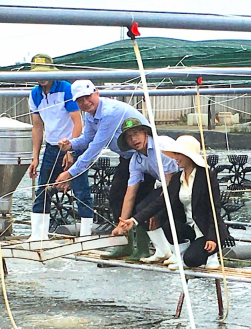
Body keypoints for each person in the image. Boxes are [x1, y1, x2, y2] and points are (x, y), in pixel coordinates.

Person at [53, 80, 152, 256]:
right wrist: (70, 145)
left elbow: (96, 147)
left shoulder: (109, 113)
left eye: (87, 97)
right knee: (115, 198)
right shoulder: (90, 116)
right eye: (80, 100)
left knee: (140, 202)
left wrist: (70, 173)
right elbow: (86, 139)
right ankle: (124, 243)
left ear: (96, 93)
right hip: (128, 158)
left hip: (146, 155)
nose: (85, 102)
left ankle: (143, 248)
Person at [117, 135, 231, 270]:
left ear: (189, 156)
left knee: (192, 260)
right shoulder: (177, 178)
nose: (175, 158)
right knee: (168, 224)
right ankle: (181, 254)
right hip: (190, 228)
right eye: (175, 154)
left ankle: (212, 255)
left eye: (179, 154)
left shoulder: (206, 175)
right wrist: (134, 220)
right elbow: (160, 202)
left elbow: (214, 209)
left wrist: (212, 237)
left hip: (208, 230)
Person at [26, 54, 93, 241]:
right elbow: (37, 126)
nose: (42, 77)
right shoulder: (34, 94)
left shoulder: (66, 89)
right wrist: (35, 157)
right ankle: (38, 234)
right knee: (43, 190)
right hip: (51, 145)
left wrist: (71, 149)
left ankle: (85, 235)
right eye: (37, 73)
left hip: (72, 144)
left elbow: (77, 121)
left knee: (80, 190)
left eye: (45, 72)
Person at [110, 117, 178, 263]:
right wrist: (122, 223)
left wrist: (157, 211)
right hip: (168, 186)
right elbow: (130, 193)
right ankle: (162, 251)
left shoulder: (162, 146)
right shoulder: (136, 160)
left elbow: (170, 183)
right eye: (129, 137)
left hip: (185, 182)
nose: (134, 139)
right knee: (141, 207)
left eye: (136, 133)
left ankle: (175, 252)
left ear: (145, 133)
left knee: (152, 211)